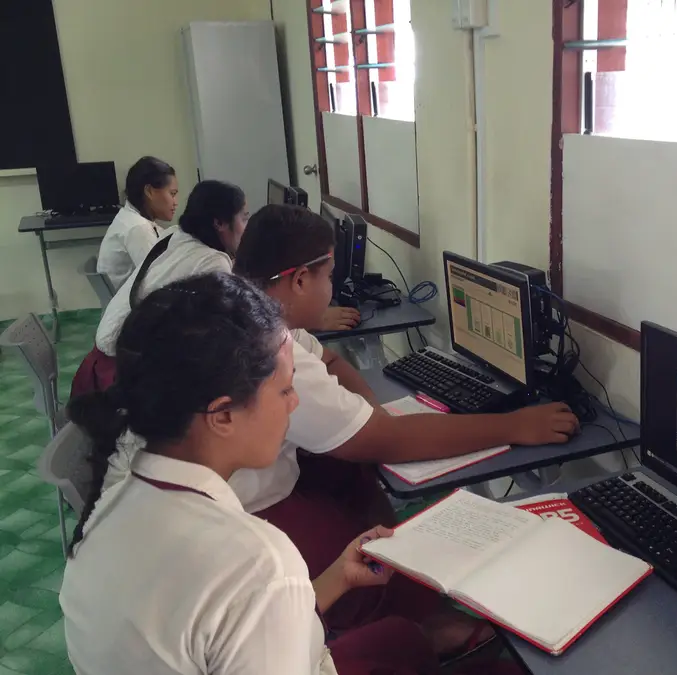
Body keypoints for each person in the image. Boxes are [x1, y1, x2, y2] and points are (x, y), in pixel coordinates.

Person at [60, 273, 445, 675]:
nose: (295, 403)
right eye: (284, 390)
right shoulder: (257, 561)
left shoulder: (106, 510)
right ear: (223, 414)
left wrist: (334, 580)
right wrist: (286, 591)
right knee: (409, 647)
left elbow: (222, 626)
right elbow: (242, 601)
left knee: (399, 640)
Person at [227, 205, 578, 635]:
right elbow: (388, 439)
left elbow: (333, 358)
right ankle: (428, 628)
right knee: (360, 496)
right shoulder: (272, 347)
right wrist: (517, 426)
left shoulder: (249, 309)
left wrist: (368, 410)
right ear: (299, 279)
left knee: (355, 473)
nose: (332, 288)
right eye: (329, 276)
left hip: (243, 496)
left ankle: (405, 587)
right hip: (252, 517)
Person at [69, 179, 250, 399]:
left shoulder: (174, 234)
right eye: (244, 218)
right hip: (120, 373)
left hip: (106, 354)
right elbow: (226, 325)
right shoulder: (212, 261)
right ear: (220, 223)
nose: (246, 227)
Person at [96, 156, 178, 289]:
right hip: (133, 305)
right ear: (149, 191)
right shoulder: (138, 228)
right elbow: (160, 280)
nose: (176, 202)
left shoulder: (129, 217)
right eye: (172, 194)